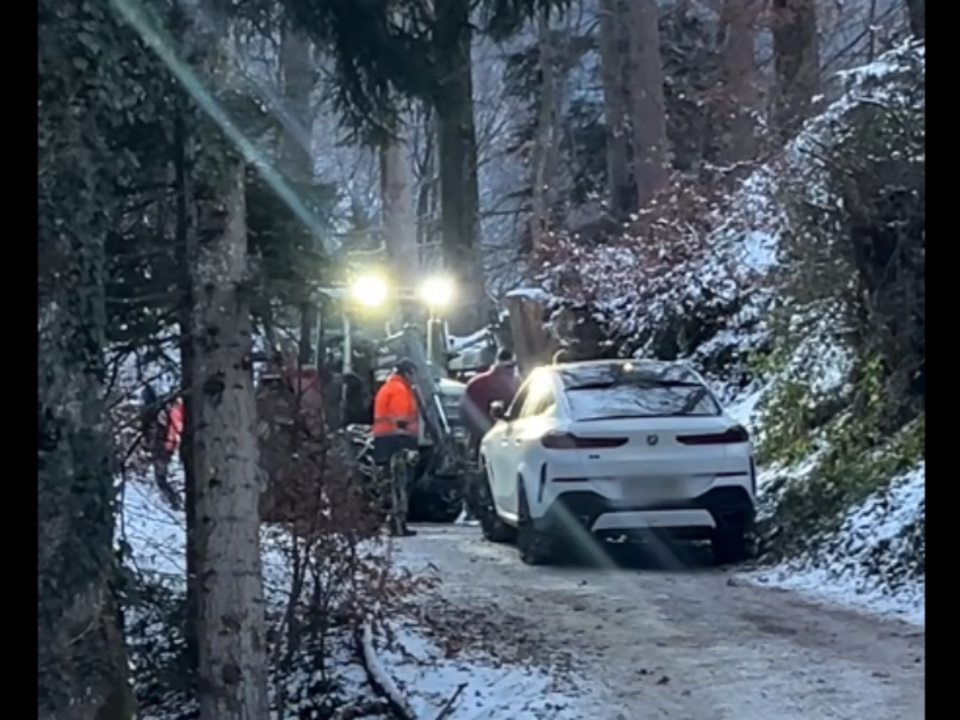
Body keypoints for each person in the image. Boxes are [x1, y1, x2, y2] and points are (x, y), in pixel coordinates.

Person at [371, 358, 420, 536]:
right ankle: (398, 524)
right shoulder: (400, 390)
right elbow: (401, 420)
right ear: (407, 373)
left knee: (388, 484)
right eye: (414, 374)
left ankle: (390, 522)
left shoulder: (388, 387)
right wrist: (409, 445)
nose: (415, 378)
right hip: (397, 441)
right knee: (399, 484)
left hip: (384, 440)